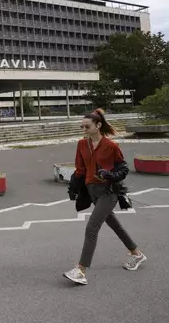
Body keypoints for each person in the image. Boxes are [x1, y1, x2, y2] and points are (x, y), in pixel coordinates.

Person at [63, 109, 146, 285]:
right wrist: (74, 186)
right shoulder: (81, 145)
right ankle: (136, 253)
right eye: (82, 126)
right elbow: (80, 169)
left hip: (108, 192)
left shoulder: (111, 146)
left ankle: (81, 270)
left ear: (98, 125)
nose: (83, 128)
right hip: (91, 191)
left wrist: (110, 175)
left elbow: (123, 169)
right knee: (115, 225)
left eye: (87, 126)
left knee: (91, 228)